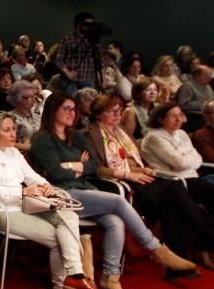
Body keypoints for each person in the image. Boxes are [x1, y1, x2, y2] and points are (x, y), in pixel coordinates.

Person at [30, 94, 197, 289]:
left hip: (85, 189)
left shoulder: (76, 136)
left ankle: (111, 278)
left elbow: (92, 167)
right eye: (67, 109)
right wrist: (77, 165)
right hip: (61, 194)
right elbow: (54, 174)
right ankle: (156, 248)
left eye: (74, 109)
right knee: (118, 201)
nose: (72, 114)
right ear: (53, 110)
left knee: (115, 221)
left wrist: (71, 166)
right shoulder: (43, 139)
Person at [0, 112, 106, 289]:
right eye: (6, 130)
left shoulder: (14, 154)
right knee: (57, 237)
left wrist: (46, 187)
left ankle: (74, 274)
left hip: (26, 205)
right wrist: (23, 192)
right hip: (1, 211)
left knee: (67, 214)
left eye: (13, 129)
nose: (13, 133)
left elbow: (34, 177)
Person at [84, 93, 213, 273]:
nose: (117, 115)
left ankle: (177, 268)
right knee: (174, 189)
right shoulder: (90, 134)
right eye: (112, 111)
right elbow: (96, 168)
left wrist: (143, 169)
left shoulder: (122, 131)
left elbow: (136, 163)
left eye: (119, 111)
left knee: (171, 206)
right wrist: (128, 174)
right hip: (119, 185)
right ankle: (208, 236)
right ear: (98, 113)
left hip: (139, 180)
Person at [141, 102, 214, 209]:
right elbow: (179, 163)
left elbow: (199, 159)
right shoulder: (154, 137)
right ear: (160, 119)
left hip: (193, 178)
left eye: (180, 115)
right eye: (173, 116)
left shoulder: (181, 133)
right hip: (175, 182)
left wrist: (183, 158)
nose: (178, 119)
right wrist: (187, 156)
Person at [54, 11, 102, 90]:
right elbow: (59, 59)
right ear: (78, 24)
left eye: (92, 24)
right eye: (87, 24)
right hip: (70, 78)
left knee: (89, 100)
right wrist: (67, 72)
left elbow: (100, 60)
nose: (89, 27)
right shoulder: (67, 38)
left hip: (88, 78)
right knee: (72, 99)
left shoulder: (93, 39)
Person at [176, 65, 214, 131]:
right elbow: (184, 105)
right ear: (197, 76)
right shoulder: (187, 86)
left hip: (208, 113)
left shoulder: (208, 86)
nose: (210, 77)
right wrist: (205, 104)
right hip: (195, 116)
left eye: (210, 75)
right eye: (206, 75)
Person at [8, 80, 42, 151]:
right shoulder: (10, 118)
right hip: (21, 155)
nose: (33, 99)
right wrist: (32, 147)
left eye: (33, 96)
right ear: (16, 99)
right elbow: (8, 143)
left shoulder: (36, 114)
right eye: (27, 97)